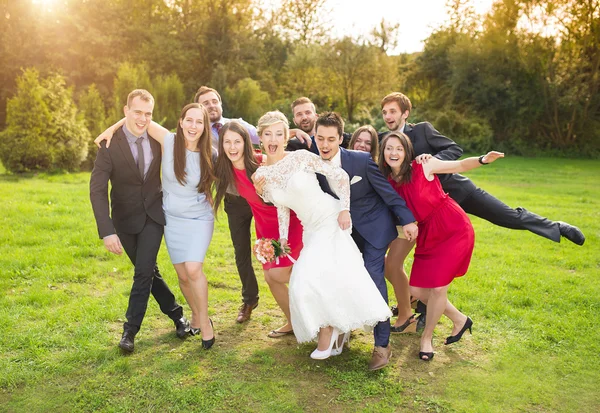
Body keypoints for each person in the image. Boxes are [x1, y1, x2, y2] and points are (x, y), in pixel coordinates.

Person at [379, 92, 586, 331]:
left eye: (392, 111)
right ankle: (421, 310)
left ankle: (556, 227)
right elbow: (358, 140)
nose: (388, 116)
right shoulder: (387, 139)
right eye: (384, 112)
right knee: (427, 259)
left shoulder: (422, 130)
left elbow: (453, 149)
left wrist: (433, 160)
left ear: (405, 113)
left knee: (505, 215)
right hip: (424, 211)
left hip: (454, 190)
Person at [252, 111, 395, 366]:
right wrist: (282, 239)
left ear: (286, 137)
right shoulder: (262, 175)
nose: (273, 139)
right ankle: (336, 330)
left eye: (278, 133)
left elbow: (339, 176)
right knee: (308, 280)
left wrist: (344, 209)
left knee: (310, 276)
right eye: (267, 134)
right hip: (310, 228)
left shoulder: (301, 157)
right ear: (260, 138)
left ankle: (328, 331)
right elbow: (282, 208)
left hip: (330, 218)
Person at [95, 102, 217, 349]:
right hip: (171, 218)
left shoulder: (210, 154)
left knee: (192, 270)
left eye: (199, 122)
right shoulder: (169, 142)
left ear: (205, 127)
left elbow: (238, 159)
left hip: (198, 219)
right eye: (189, 120)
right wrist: (110, 130)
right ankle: (190, 315)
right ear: (180, 121)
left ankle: (204, 324)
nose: (193, 126)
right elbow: (138, 120)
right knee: (182, 275)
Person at [379, 132, 504, 360]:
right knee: (416, 290)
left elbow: (460, 165)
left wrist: (483, 159)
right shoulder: (387, 182)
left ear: (407, 151)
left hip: (452, 226)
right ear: (383, 152)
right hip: (427, 233)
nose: (393, 153)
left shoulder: (423, 166)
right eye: (389, 148)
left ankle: (426, 338)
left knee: (438, 288)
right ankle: (459, 319)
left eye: (399, 148)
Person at [213, 121, 304, 338]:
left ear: (246, 143)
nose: (232, 147)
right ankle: (293, 322)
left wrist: (292, 132)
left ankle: (316, 317)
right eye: (227, 142)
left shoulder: (263, 163)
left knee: (284, 275)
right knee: (271, 279)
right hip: (264, 229)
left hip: (288, 225)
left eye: (237, 141)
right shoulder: (226, 170)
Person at [194, 86, 261, 324]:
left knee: (272, 247)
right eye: (205, 103)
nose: (211, 106)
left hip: (259, 196)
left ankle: (290, 294)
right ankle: (249, 298)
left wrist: (291, 132)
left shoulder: (238, 125)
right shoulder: (198, 132)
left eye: (214, 101)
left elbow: (266, 137)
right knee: (241, 251)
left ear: (220, 103)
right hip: (234, 200)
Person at [286, 97, 351, 151]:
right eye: (299, 114)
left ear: (316, 116)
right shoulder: (292, 144)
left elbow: (358, 138)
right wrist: (294, 132)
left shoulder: (336, 137)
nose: (304, 117)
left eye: (308, 112)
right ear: (294, 121)